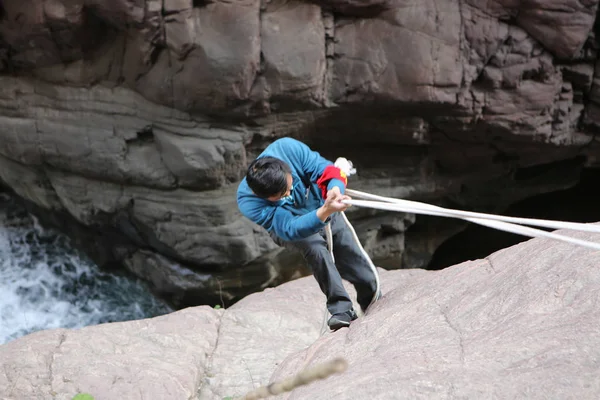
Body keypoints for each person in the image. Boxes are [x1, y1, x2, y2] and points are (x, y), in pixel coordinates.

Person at [236, 137, 380, 331]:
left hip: (324, 204)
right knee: (314, 246)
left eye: (290, 185)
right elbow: (290, 228)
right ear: (264, 197)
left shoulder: (288, 149)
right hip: (293, 226)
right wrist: (324, 212)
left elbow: (326, 169)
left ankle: (372, 300)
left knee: (354, 259)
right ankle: (341, 309)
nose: (290, 192)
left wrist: (334, 190)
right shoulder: (248, 201)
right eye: (283, 195)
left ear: (286, 168)